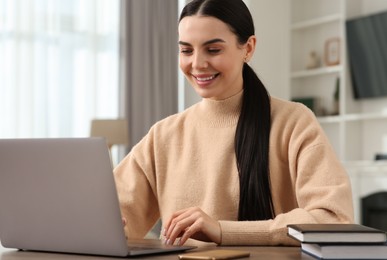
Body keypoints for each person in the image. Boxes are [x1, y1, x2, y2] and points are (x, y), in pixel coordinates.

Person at [113, 0, 354, 246]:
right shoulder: (164, 135)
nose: (197, 64)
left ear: (248, 48)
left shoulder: (293, 123)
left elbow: (334, 221)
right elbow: (112, 214)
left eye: (213, 50)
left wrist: (223, 231)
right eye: (186, 50)